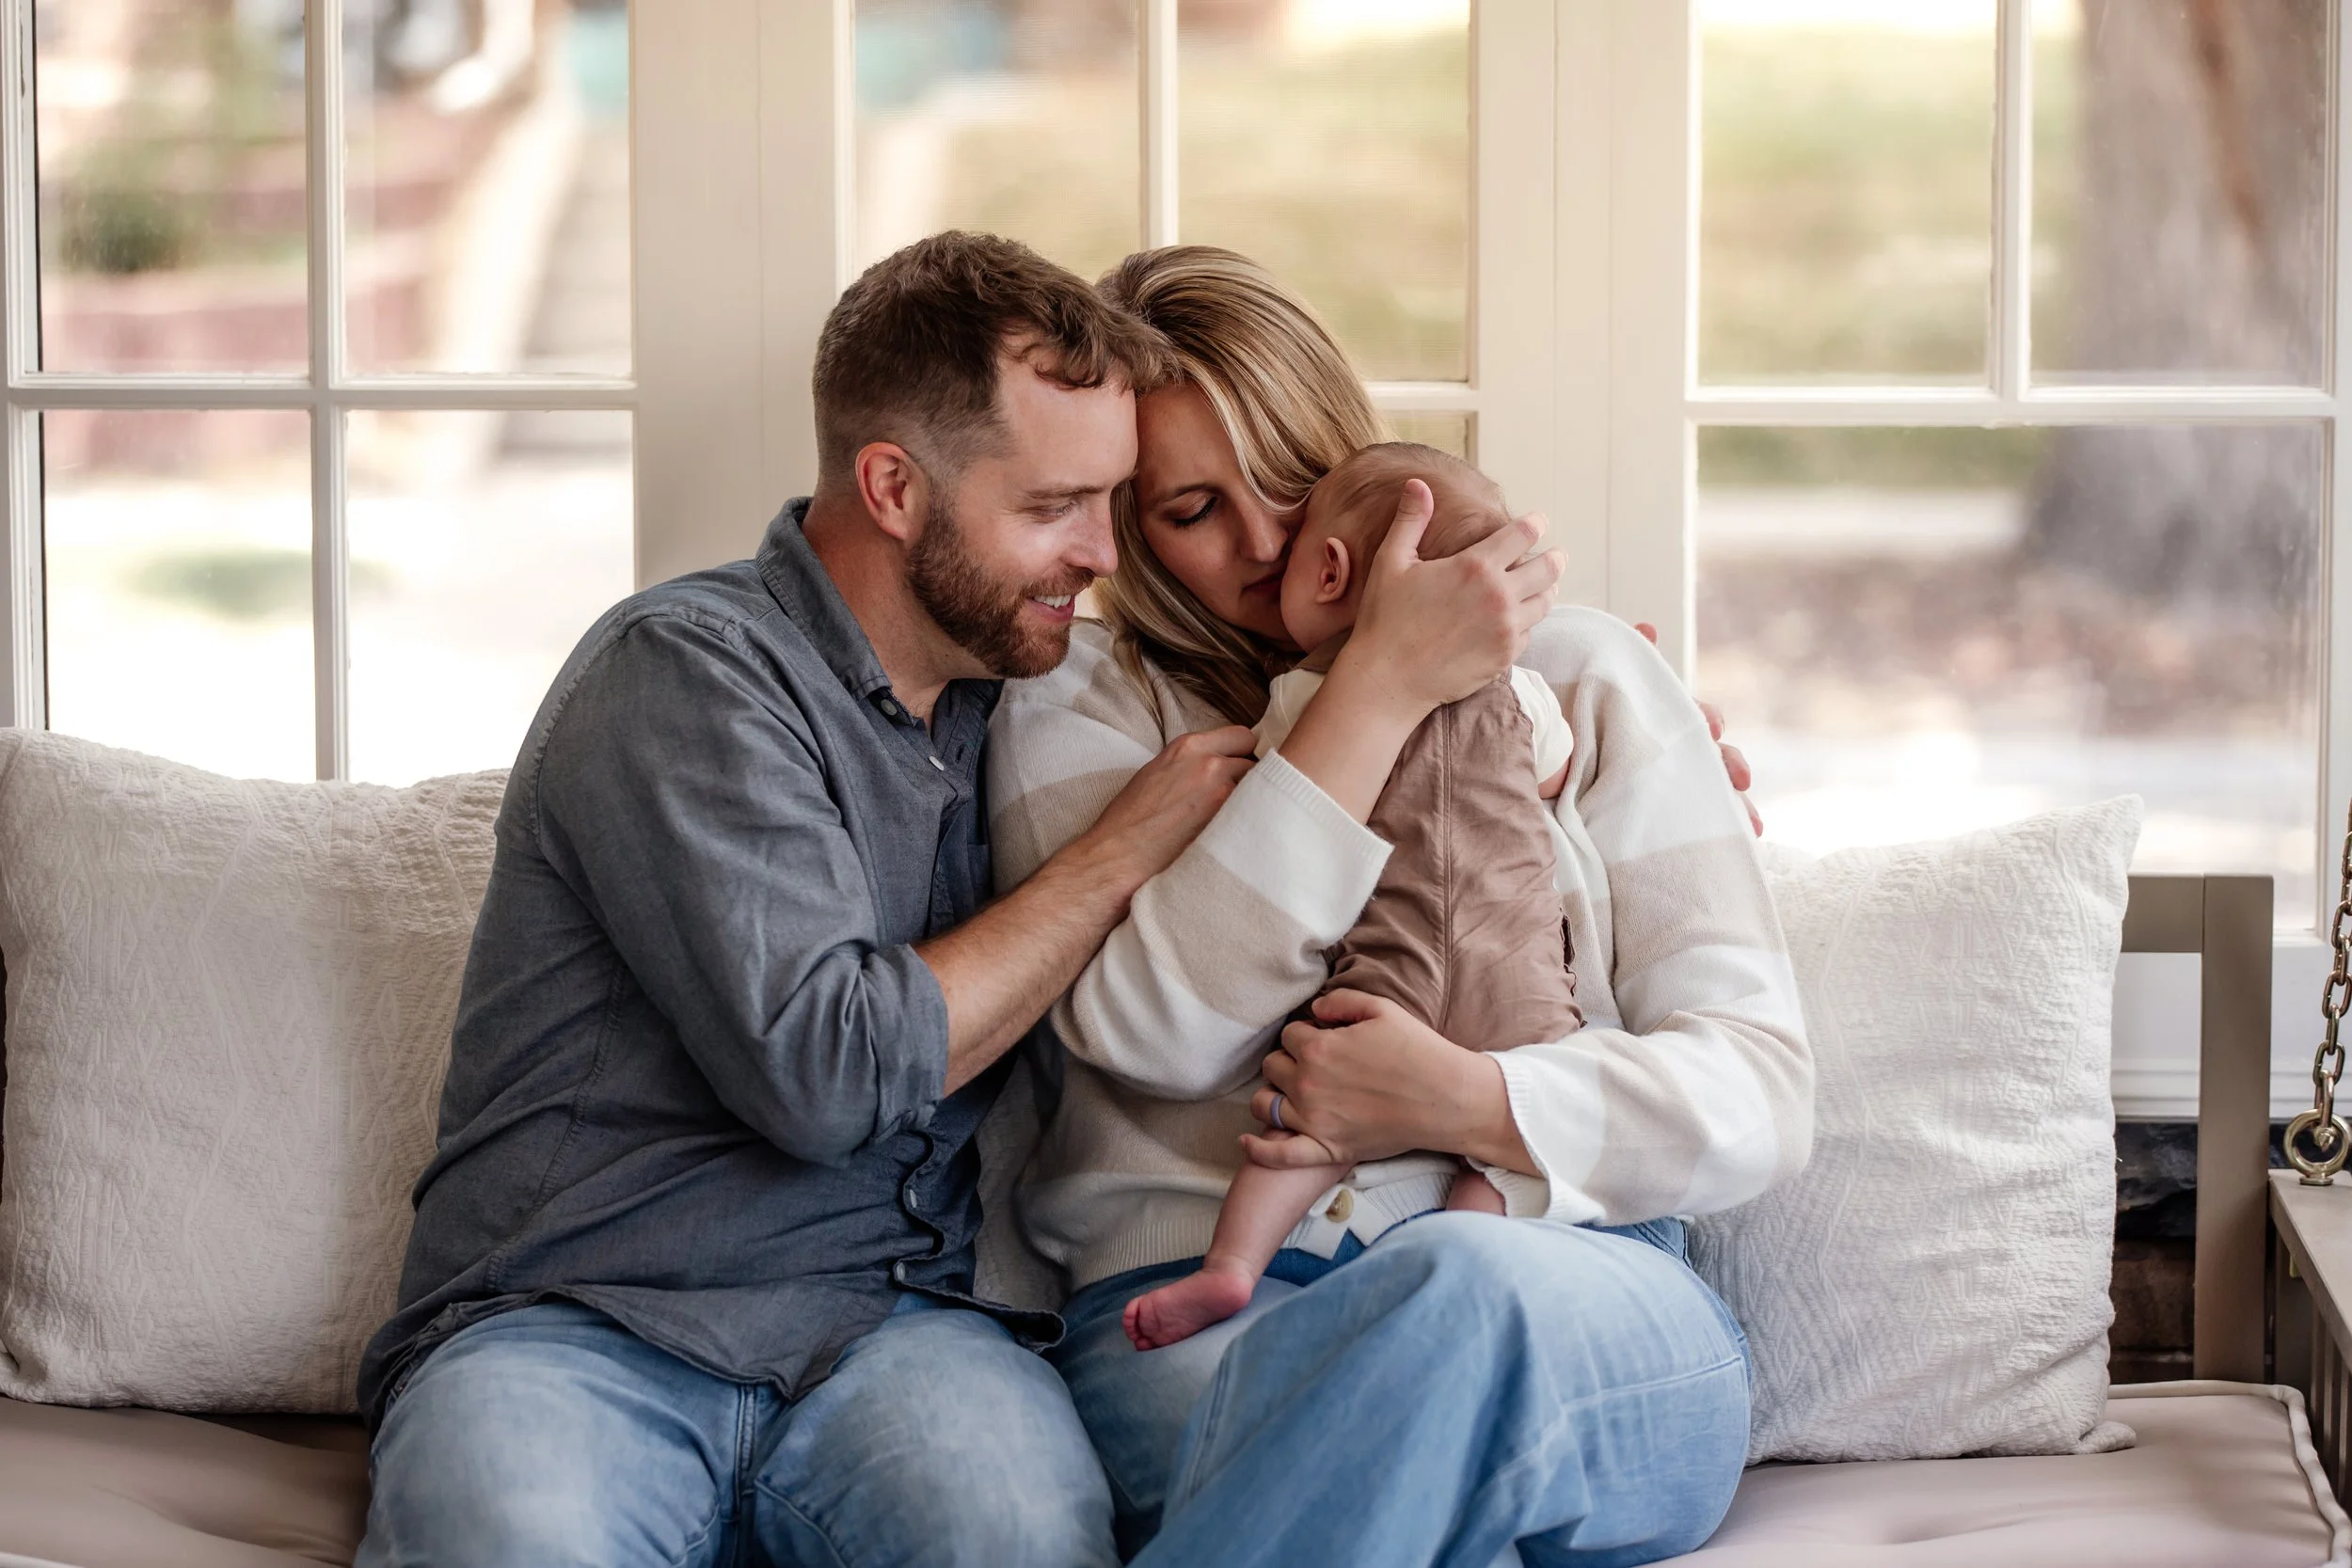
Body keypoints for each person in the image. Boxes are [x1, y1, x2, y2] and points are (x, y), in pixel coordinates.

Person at [352, 229, 1559, 1567]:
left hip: (897, 1337)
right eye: (1055, 508)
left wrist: (1544, 746)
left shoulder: (1020, 705)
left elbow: (1399, 787)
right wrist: (1116, 853)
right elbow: (825, 1070)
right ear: (892, 487)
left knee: (1024, 1530)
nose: (1103, 553)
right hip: (585, 1319)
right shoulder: (689, 672)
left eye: (1115, 502)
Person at [981, 245, 1813, 1567]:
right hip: (1207, 1312)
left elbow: (1761, 1090)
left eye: (1293, 482)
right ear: (1130, 530)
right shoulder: (1086, 707)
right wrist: (1368, 692)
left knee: (1462, 1293)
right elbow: (1151, 1036)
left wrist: (1464, 1102)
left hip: (1572, 1293)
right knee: (1411, 1468)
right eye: (1192, 507)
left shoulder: (1580, 673)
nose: (1261, 543)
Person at [1120, 441, 1584, 1352]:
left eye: (1289, 517)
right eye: (1194, 507)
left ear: (1327, 568)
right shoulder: (1523, 690)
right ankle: (1469, 1251)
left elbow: (1276, 818)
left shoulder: (1301, 704)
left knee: (1307, 1129)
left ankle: (1230, 1264)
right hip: (1523, 991)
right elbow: (1560, 764)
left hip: (1385, 981)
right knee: (1511, 1155)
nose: (1262, 545)